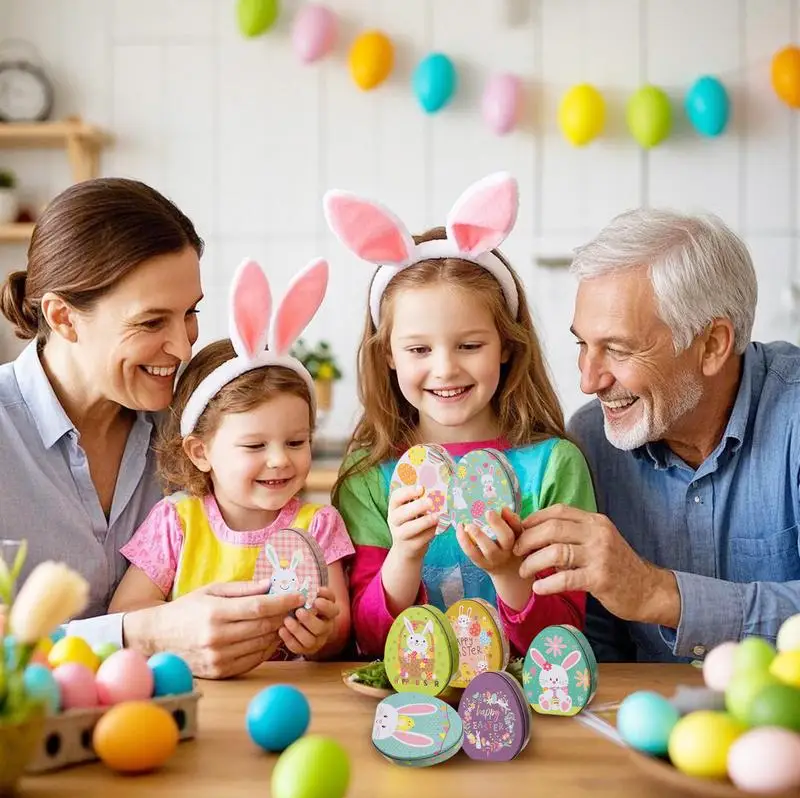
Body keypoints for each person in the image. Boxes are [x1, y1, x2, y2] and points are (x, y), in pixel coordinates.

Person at [0, 178, 304, 677]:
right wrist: (139, 634)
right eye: (151, 322)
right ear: (63, 317)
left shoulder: (194, 430)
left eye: (190, 313)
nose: (184, 348)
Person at [325, 172, 596, 658]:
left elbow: (566, 645)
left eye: (470, 345)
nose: (445, 368)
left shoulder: (554, 466)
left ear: (507, 346)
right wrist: (405, 556)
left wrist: (507, 572)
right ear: (388, 354)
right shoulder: (369, 476)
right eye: (418, 348)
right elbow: (368, 643)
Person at [512, 208, 800, 662]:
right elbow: (597, 652)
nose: (588, 381)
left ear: (712, 345)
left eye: (618, 349)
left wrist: (657, 594)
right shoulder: (591, 440)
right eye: (582, 345)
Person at [110, 258, 352, 658]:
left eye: (296, 442)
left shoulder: (319, 526)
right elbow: (127, 611)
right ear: (200, 452)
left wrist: (323, 635)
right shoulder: (176, 523)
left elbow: (340, 628)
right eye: (255, 446)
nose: (279, 460)